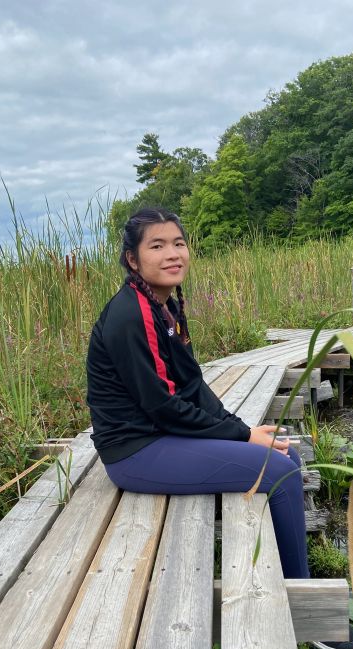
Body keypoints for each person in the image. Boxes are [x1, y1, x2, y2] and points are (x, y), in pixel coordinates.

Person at [86, 207, 310, 579]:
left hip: (161, 437)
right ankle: (305, 606)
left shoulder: (164, 307)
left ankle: (291, 573)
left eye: (178, 243)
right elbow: (163, 406)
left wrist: (242, 429)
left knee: (289, 455)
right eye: (157, 246)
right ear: (133, 259)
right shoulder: (131, 315)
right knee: (279, 471)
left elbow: (192, 386)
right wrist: (242, 436)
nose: (173, 254)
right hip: (135, 452)